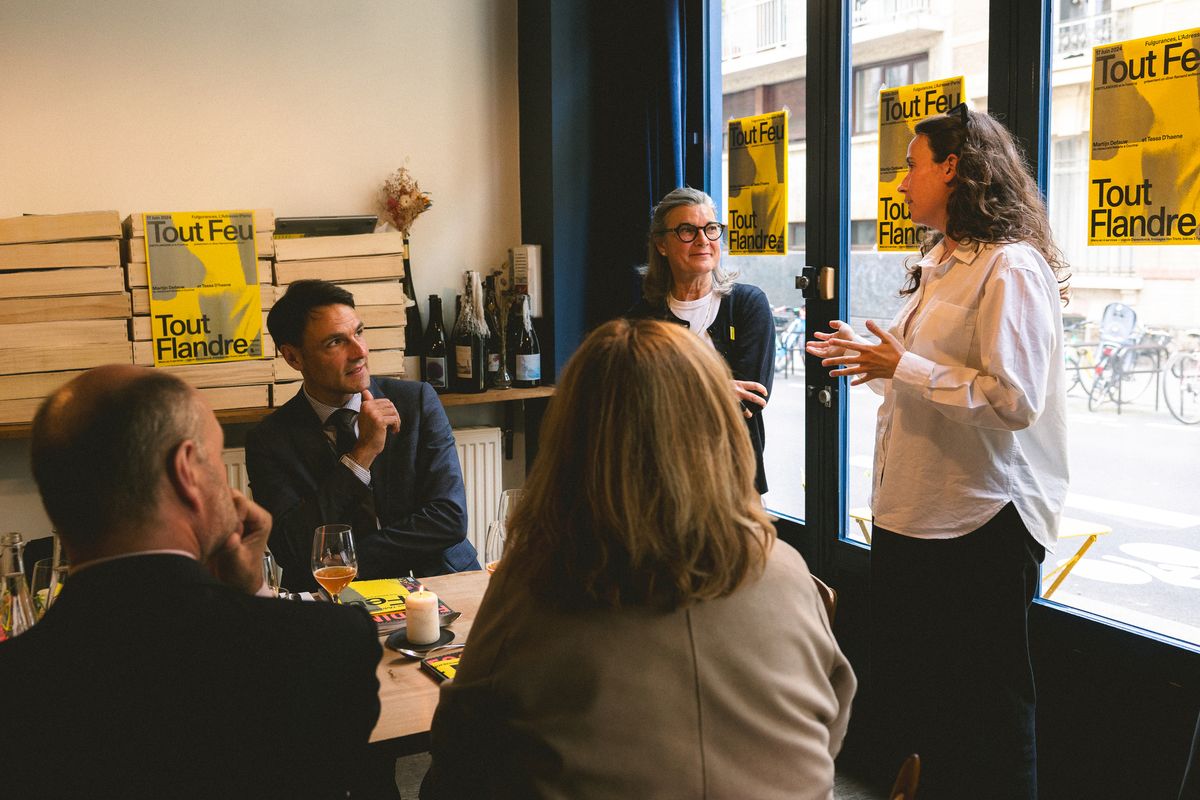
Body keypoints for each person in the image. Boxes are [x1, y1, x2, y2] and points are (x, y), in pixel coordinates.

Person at [421, 319, 855, 800]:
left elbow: (459, 751)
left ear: (571, 441)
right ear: (718, 428)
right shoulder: (784, 568)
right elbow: (829, 724)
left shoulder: (536, 582)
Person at [806, 103, 1070, 799]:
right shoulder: (939, 264)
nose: (900, 184)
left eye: (911, 166)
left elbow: (1014, 401)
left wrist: (905, 369)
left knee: (990, 715)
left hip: (977, 524)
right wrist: (874, 360)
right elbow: (915, 382)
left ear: (954, 169)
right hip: (915, 519)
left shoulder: (1011, 268)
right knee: (931, 708)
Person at [0, 366, 381, 799]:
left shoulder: (15, 684)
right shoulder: (325, 643)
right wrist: (253, 593)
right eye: (216, 459)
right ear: (187, 471)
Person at [246, 279, 478, 592]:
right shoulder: (270, 439)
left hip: (437, 580)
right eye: (335, 343)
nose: (360, 352)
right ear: (293, 358)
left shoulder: (417, 402)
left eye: (359, 332)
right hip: (333, 597)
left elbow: (449, 519)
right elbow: (293, 547)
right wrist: (361, 455)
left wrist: (344, 558)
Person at [628, 186, 776, 493]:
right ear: (662, 245)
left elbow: (751, 400)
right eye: (687, 230)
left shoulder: (747, 304)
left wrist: (670, 389)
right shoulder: (642, 319)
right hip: (660, 480)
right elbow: (636, 404)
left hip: (733, 478)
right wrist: (720, 388)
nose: (703, 240)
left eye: (711, 229)